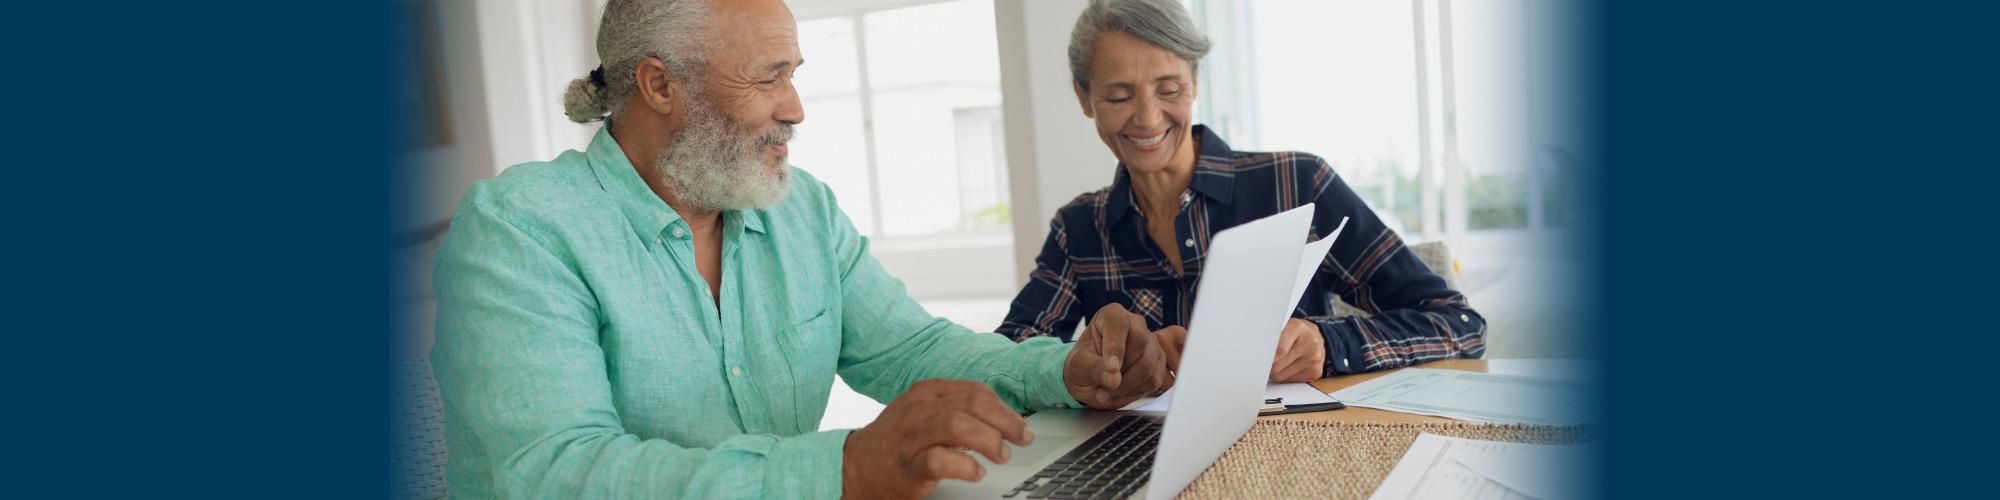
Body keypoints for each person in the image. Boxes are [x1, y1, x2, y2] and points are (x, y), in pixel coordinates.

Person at [429, 0, 1169, 497]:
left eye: (794, 74)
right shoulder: (519, 228)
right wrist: (844, 466)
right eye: (768, 77)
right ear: (659, 85)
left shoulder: (799, 208)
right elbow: (560, 473)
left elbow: (910, 350)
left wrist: (1068, 371)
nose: (795, 108)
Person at [996, 0, 1486, 384]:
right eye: (1119, 96)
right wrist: (1103, 359)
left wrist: (1328, 342)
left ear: (1195, 80)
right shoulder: (1078, 228)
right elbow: (1008, 360)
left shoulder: (1298, 183)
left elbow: (1460, 323)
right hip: (1138, 455)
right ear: (1085, 98)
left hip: (1294, 453)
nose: (1146, 118)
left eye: (1169, 89)